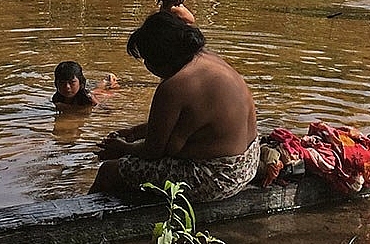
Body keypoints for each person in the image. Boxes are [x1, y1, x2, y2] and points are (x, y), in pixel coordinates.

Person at [90, 12, 259, 202]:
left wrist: (123, 148)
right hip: (248, 162)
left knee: (109, 171)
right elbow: (184, 124)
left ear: (161, 56)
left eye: (147, 59)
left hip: (218, 177)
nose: (146, 65)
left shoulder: (173, 87)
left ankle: (83, 223)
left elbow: (152, 152)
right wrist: (134, 132)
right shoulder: (210, 60)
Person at [52, 61, 118, 112]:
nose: (67, 87)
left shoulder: (88, 98)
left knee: (107, 91)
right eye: (62, 83)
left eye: (72, 82)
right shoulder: (56, 98)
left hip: (95, 95)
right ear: (56, 84)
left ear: (80, 82)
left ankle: (109, 80)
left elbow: (106, 110)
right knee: (96, 90)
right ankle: (106, 81)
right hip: (89, 92)